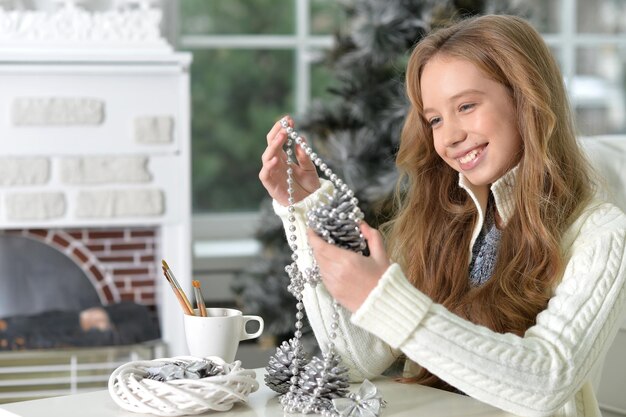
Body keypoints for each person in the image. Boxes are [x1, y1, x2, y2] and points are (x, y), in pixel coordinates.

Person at [259, 14, 626, 417]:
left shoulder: (602, 233)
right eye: (434, 119)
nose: (449, 137)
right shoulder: (437, 222)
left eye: (466, 106)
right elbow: (354, 359)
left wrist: (383, 299)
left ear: (528, 99)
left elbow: (548, 382)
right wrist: (309, 208)